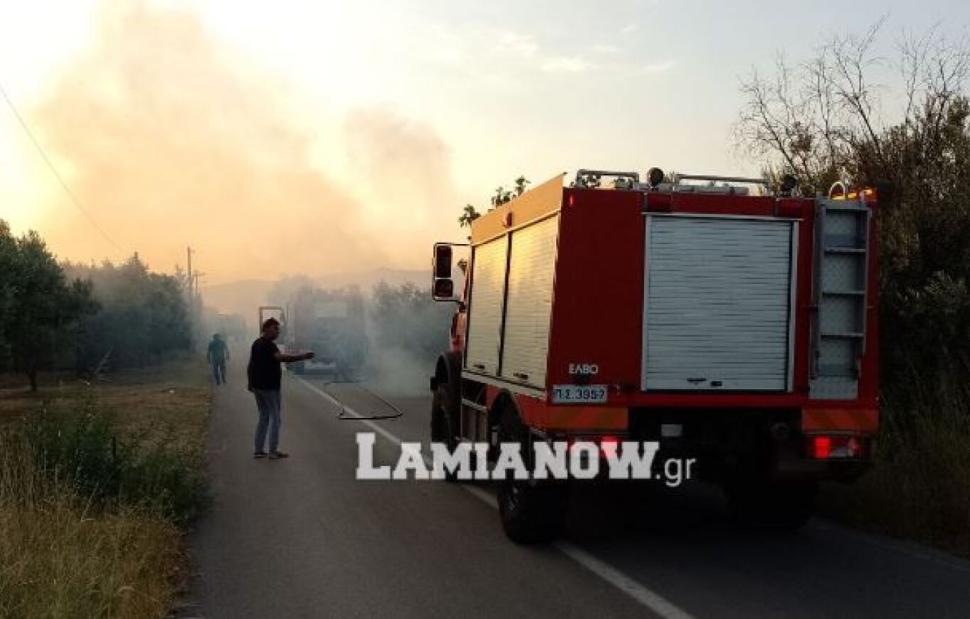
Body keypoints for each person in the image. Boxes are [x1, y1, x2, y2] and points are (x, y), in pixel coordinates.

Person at [247, 317, 314, 460]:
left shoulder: (256, 343)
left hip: (258, 386)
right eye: (275, 329)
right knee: (275, 418)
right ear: (266, 329)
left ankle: (258, 450)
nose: (277, 332)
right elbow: (281, 358)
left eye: (278, 329)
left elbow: (250, 364)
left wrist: (250, 383)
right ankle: (273, 451)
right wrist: (302, 356)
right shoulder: (269, 345)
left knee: (264, 416)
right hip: (269, 387)